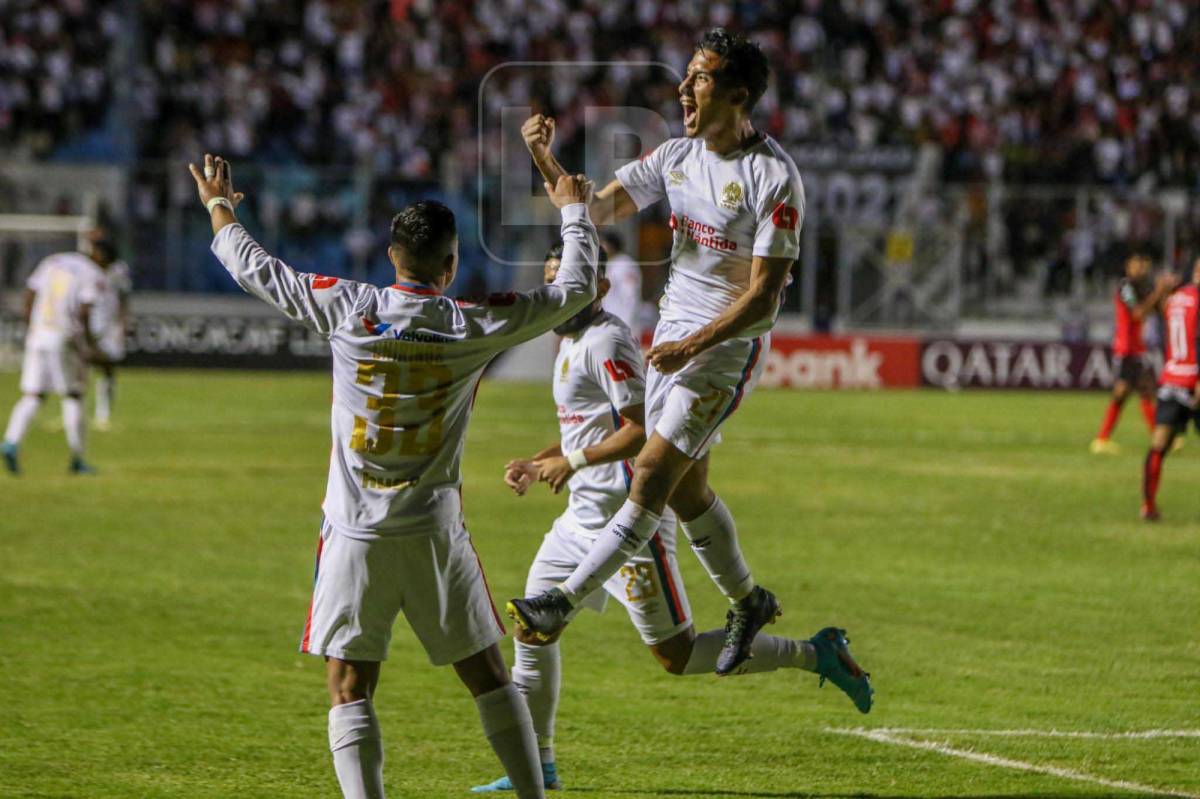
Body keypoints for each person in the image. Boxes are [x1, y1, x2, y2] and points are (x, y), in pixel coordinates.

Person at [189, 153, 602, 799]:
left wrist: (220, 205)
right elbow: (573, 291)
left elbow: (256, 269)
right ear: (451, 265)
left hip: (356, 531)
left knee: (350, 686)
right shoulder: (471, 322)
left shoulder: (348, 307)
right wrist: (575, 213)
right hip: (435, 530)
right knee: (489, 675)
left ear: (390, 255)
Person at [506, 27, 872, 709]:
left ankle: (562, 599)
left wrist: (692, 343)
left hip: (725, 350)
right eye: (686, 77)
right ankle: (748, 599)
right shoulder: (675, 156)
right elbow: (593, 206)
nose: (683, 89)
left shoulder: (773, 177)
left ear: (737, 94)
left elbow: (763, 299)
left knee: (649, 470)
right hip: (673, 341)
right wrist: (543, 157)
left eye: (700, 79)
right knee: (684, 488)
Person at [472, 244, 867, 792]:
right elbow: (585, 430)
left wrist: (573, 460)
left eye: (572, 281)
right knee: (531, 631)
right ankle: (537, 765)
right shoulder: (569, 339)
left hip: (628, 523)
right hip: (577, 520)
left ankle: (814, 654)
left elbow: (637, 433)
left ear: (603, 288)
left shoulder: (609, 342)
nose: (560, 293)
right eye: (553, 282)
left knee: (676, 656)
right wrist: (543, 461)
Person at [2, 238, 109, 475]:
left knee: (33, 394)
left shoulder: (53, 261)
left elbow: (30, 292)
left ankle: (10, 442)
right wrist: (90, 345)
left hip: (38, 333)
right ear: (100, 256)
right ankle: (77, 458)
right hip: (64, 337)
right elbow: (83, 312)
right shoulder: (92, 274)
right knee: (73, 395)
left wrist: (30, 324)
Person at [1091, 253, 1176, 455]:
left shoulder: (1142, 288)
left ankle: (1103, 439)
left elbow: (1160, 310)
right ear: (1127, 266)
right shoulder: (1126, 287)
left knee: (1132, 392)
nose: (1141, 268)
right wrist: (1158, 292)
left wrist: (1166, 292)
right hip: (1127, 348)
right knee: (1142, 390)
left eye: (1143, 264)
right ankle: (1157, 435)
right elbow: (1137, 313)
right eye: (1136, 264)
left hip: (1136, 348)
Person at [1140, 259, 1200, 521]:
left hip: (1171, 379)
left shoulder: (1177, 298)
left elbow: (1156, 315)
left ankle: (1148, 506)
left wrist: (1161, 291)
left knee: (1159, 444)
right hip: (1193, 379)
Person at [86, 232, 131, 430]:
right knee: (80, 368)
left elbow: (124, 298)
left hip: (110, 325)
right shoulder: (86, 268)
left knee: (107, 369)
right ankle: (74, 413)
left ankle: (103, 415)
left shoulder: (119, 270)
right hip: (89, 323)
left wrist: (123, 323)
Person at [599, 231, 643, 343]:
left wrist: (626, 326)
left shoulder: (625, 264)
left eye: (602, 244)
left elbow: (630, 298)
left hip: (624, 324)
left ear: (611, 245)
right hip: (608, 324)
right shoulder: (608, 265)